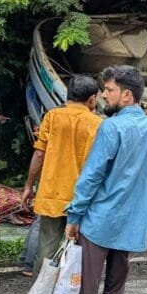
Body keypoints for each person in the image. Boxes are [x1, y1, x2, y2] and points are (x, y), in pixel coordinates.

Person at [64, 65, 147, 294]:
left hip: (99, 225)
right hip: (130, 229)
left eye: (109, 90)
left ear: (126, 95)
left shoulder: (111, 127)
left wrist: (74, 216)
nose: (103, 95)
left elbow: (92, 177)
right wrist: (144, 215)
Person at [21, 75, 101, 277]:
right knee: (78, 249)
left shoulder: (52, 116)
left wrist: (29, 186)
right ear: (92, 99)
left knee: (46, 248)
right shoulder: (97, 123)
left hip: (51, 194)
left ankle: (39, 290)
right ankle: (71, 290)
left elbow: (39, 154)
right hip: (81, 198)